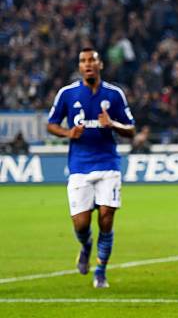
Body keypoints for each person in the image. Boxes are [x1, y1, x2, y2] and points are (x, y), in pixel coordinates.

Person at [47, 48, 135, 288]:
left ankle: (101, 271)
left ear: (100, 65)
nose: (88, 65)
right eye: (83, 61)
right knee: (81, 224)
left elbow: (131, 130)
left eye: (92, 60)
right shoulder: (67, 94)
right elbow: (51, 124)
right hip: (79, 166)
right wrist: (68, 132)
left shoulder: (115, 94)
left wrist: (112, 123)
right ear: (79, 67)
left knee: (106, 218)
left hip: (108, 164)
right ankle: (86, 246)